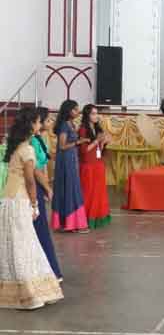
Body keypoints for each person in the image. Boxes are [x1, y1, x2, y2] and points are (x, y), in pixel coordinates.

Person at [0, 108, 64, 310]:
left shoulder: (15, 146)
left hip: (8, 199)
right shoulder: (27, 150)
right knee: (25, 245)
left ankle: (20, 290)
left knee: (13, 245)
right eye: (37, 122)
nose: (40, 125)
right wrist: (35, 204)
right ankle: (30, 293)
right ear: (30, 125)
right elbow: (29, 181)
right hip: (20, 201)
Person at [31, 106, 62, 280]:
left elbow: (45, 160)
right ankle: (49, 271)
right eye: (47, 120)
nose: (51, 122)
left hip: (40, 183)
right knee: (40, 229)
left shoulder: (40, 138)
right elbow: (35, 170)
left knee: (40, 228)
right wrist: (47, 188)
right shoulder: (32, 142)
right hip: (34, 184)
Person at [52, 100, 89, 233]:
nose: (78, 112)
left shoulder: (71, 124)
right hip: (65, 160)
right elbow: (62, 146)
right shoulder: (64, 125)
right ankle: (69, 223)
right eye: (75, 109)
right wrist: (79, 142)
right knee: (69, 188)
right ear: (68, 111)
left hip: (72, 159)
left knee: (73, 188)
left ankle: (71, 222)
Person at [78, 104, 111, 229]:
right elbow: (84, 151)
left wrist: (103, 143)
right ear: (87, 115)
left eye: (97, 113)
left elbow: (99, 150)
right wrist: (96, 141)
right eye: (93, 113)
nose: (96, 116)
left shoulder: (97, 128)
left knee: (98, 193)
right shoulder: (83, 129)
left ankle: (97, 217)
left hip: (98, 164)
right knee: (88, 193)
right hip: (88, 166)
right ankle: (85, 219)